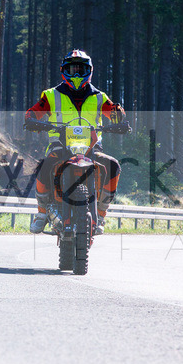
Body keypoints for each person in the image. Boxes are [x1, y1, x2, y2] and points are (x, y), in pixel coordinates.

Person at [25, 50, 127, 236]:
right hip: (60, 145)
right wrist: (31, 118)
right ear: (64, 71)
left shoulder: (99, 97)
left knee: (113, 165)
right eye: (72, 70)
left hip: (92, 148)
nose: (77, 74)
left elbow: (113, 112)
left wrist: (118, 115)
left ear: (89, 71)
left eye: (81, 70)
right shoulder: (51, 95)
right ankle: (41, 213)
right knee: (44, 166)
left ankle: (102, 214)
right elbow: (34, 111)